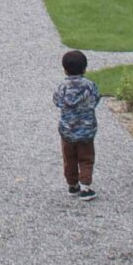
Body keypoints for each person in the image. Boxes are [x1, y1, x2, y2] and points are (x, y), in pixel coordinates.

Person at [54, 49, 100, 198]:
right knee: (86, 158)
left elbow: (57, 101)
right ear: (84, 69)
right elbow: (95, 100)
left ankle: (73, 185)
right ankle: (85, 186)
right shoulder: (90, 86)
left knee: (69, 159)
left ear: (65, 70)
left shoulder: (62, 87)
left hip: (67, 130)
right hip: (86, 130)